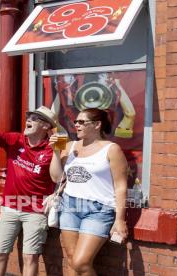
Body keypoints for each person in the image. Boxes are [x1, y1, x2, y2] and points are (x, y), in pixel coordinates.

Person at [49, 108, 128, 275]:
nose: (76, 125)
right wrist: (56, 152)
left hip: (99, 210)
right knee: (71, 259)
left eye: (81, 122)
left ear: (97, 125)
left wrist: (120, 219)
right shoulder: (70, 146)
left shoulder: (111, 149)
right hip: (70, 206)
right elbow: (56, 178)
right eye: (75, 122)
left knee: (81, 263)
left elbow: (121, 186)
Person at [0, 104, 57, 276]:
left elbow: (58, 178)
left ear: (46, 126)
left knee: (30, 257)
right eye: (29, 117)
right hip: (9, 207)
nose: (29, 120)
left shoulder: (51, 150)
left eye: (35, 118)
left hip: (36, 210)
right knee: (0, 253)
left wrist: (58, 150)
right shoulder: (15, 139)